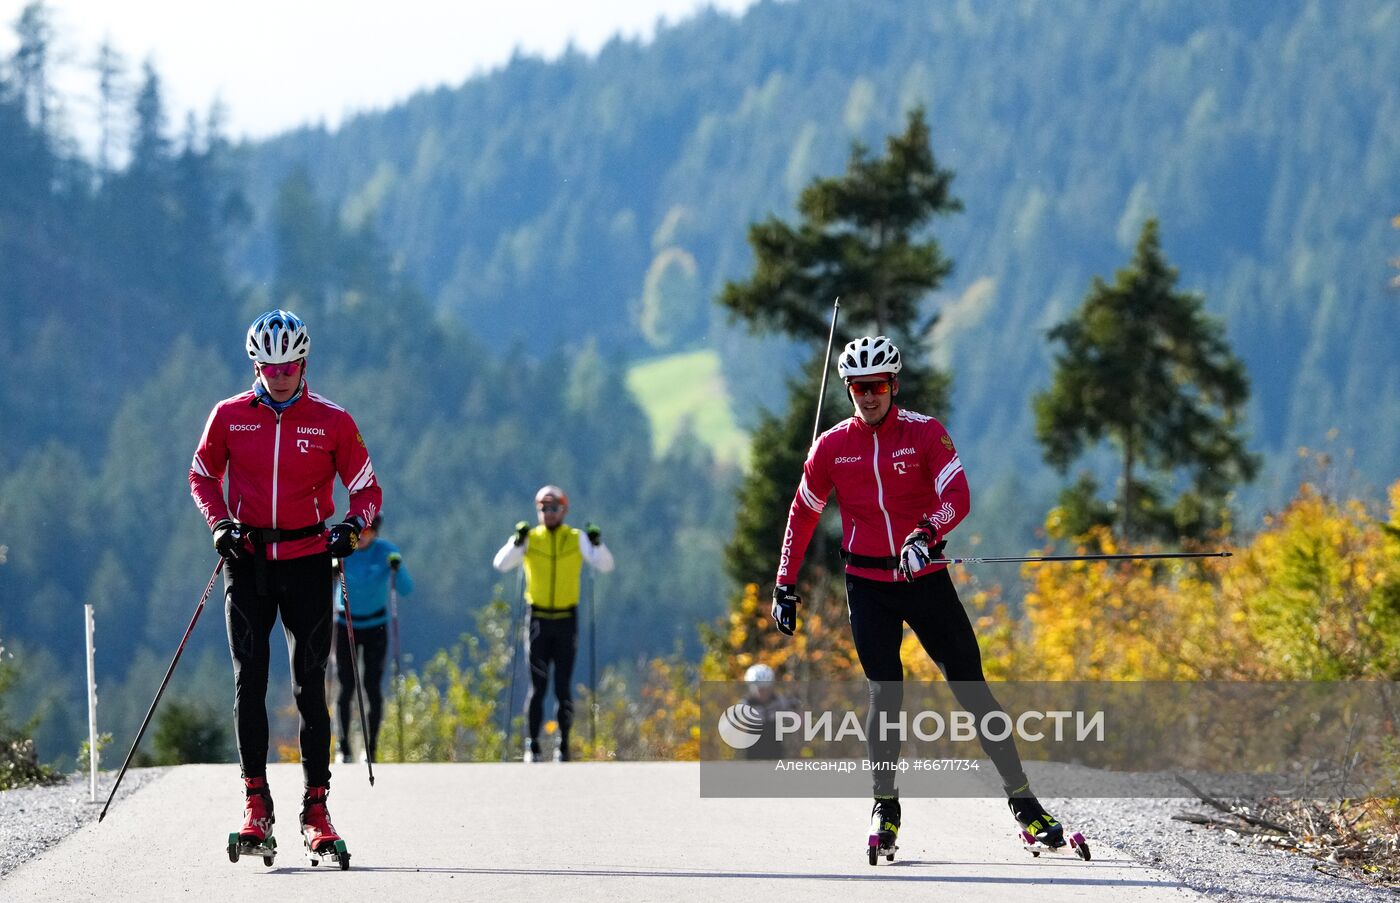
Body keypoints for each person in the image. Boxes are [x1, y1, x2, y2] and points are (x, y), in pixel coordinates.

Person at [770, 335, 1066, 861]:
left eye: (878, 385)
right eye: (859, 387)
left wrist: (926, 532)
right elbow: (803, 513)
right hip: (867, 587)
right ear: (848, 389)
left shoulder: (926, 433)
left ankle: (1024, 804)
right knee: (886, 698)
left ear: (894, 385)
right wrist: (785, 584)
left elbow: (959, 494)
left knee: (973, 691)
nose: (869, 396)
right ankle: (886, 807)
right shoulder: (832, 446)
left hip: (924, 579)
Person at [190, 309, 381, 864]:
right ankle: (256, 806)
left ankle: (316, 810)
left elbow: (367, 488)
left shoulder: (333, 421)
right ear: (255, 363)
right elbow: (202, 473)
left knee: (309, 684)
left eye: (289, 364)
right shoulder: (228, 416)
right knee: (249, 680)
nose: (279, 375)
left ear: (304, 361)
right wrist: (219, 522)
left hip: (307, 561)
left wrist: (351, 526)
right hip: (246, 560)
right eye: (268, 365)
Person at [493, 485, 614, 762]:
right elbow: (501, 564)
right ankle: (532, 745)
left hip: (566, 621)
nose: (548, 514)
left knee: (562, 686)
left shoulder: (576, 538)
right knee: (538, 687)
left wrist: (598, 544)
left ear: (564, 510)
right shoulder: (530, 538)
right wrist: (516, 541)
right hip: (537, 620)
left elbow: (605, 565)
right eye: (543, 509)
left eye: (554, 508)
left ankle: (564, 745)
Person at [334, 514, 413, 764]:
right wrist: (332, 568)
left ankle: (371, 748)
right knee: (345, 686)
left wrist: (396, 569)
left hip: (375, 626)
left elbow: (406, 589)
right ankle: (343, 747)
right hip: (344, 625)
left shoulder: (387, 551)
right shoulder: (343, 549)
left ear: (376, 532)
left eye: (368, 532)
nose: (363, 537)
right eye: (360, 532)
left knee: (372, 688)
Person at [739, 663, 796, 761]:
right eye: (760, 689)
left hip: (776, 754)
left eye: (767, 688)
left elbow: (797, 709)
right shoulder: (745, 704)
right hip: (753, 756)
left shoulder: (779, 701)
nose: (764, 692)